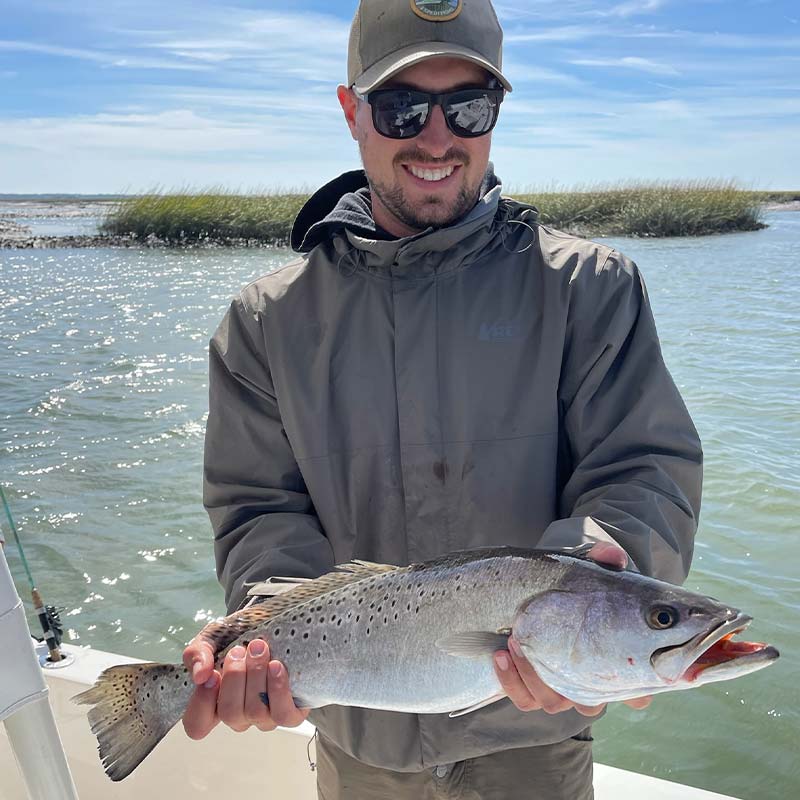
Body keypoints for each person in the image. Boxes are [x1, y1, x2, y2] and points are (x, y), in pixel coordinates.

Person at [182, 1, 703, 797]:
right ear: (352, 113)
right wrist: (259, 638)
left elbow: (641, 468)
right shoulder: (266, 319)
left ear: (495, 114)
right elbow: (257, 509)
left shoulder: (591, 288)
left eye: (467, 106)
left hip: (536, 731)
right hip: (360, 740)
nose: (437, 138)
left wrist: (602, 583)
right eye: (400, 108)